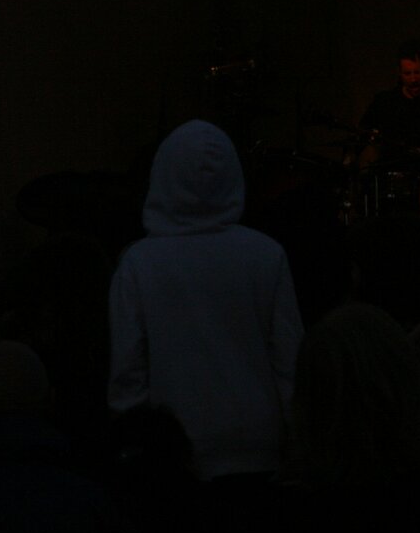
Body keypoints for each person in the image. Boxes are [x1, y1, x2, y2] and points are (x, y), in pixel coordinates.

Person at [107, 120, 303, 480]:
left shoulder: (139, 263)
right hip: (257, 443)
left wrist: (134, 441)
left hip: (172, 451)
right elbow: (288, 358)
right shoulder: (265, 255)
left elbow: (128, 366)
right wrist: (296, 436)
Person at [357, 42, 420, 168]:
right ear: (399, 73)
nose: (413, 79)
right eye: (407, 74)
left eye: (417, 72)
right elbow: (364, 130)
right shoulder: (385, 101)